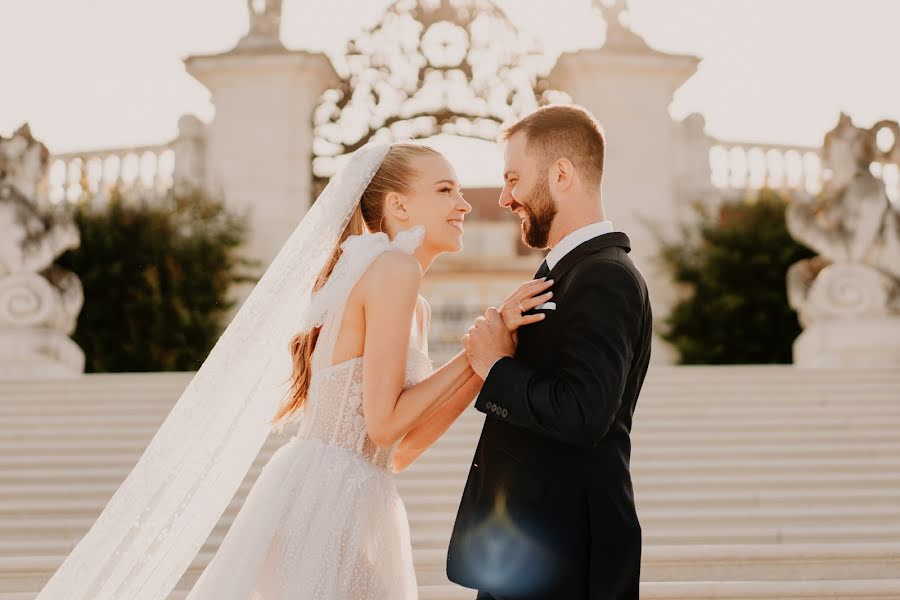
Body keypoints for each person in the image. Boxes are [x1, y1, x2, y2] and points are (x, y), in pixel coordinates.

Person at [34, 141, 551, 600]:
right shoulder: (392, 270)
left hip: (347, 495)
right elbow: (385, 424)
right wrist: (473, 353)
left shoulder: (413, 301)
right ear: (398, 205)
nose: (463, 204)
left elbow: (399, 451)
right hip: (325, 500)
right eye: (445, 190)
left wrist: (484, 366)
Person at [446, 104, 654, 599]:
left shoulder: (603, 277)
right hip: (533, 553)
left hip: (568, 561)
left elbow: (583, 413)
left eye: (513, 178)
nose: (505, 197)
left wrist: (496, 366)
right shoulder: (567, 274)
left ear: (561, 174)